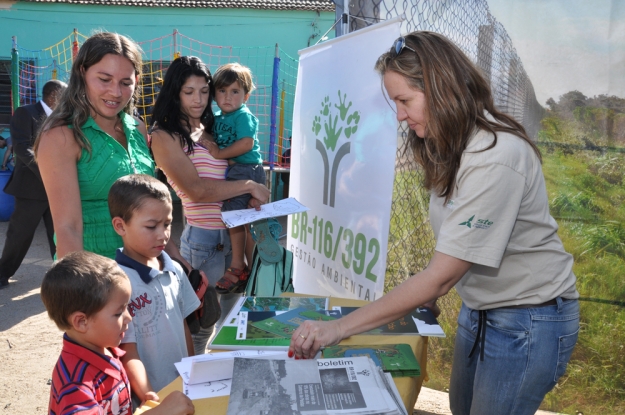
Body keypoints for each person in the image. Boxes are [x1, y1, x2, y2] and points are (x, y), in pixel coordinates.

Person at [289, 32, 580, 415]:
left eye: (404, 100)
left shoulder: (495, 157)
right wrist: (425, 295)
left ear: (442, 90)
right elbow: (460, 243)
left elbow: (442, 275)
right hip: (481, 308)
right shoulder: (452, 144)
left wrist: (337, 329)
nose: (399, 115)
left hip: (528, 317)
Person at [149, 56, 270, 355]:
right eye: (189, 91)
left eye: (204, 91)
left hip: (237, 236)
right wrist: (250, 186)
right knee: (200, 332)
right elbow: (198, 191)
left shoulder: (212, 126)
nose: (199, 99)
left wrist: (254, 188)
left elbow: (242, 160)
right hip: (203, 243)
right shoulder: (164, 136)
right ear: (175, 92)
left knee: (238, 326)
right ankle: (192, 395)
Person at [33, 32, 155, 260]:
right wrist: (82, 288)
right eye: (104, 79)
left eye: (125, 82)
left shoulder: (137, 128)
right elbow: (68, 228)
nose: (116, 92)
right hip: (96, 276)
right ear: (82, 73)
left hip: (145, 272)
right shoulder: (61, 135)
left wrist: (177, 261)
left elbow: (154, 211)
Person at [41, 251, 195, 415]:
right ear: (81, 322)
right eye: (118, 313)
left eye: (127, 307)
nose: (129, 317)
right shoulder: (75, 383)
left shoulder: (107, 349)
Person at [108, 174, 199, 404]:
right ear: (120, 226)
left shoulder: (175, 270)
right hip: (151, 398)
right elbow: (127, 349)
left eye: (167, 224)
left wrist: (192, 373)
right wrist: (149, 397)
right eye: (151, 226)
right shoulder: (116, 283)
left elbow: (183, 325)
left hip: (182, 389)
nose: (163, 234)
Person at [0, 80, 66, 290]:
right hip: (32, 188)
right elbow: (22, 148)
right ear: (54, 95)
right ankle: (2, 274)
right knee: (20, 235)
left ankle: (63, 277)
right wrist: (48, 172)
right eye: (65, 95)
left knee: (59, 234)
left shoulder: (63, 118)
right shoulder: (25, 113)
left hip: (57, 188)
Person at [207, 62, 265, 294]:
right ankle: (252, 268)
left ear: (246, 96)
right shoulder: (219, 117)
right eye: (222, 91)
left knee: (234, 215)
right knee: (244, 217)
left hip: (247, 169)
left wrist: (220, 154)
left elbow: (246, 143)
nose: (227, 97)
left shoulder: (243, 116)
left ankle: (238, 265)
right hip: (238, 170)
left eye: (235, 92)